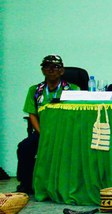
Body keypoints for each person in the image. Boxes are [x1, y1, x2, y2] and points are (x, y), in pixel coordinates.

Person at [16, 55, 80, 194]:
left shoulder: (73, 89)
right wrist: (42, 133)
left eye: (55, 67)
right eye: (47, 67)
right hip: (43, 132)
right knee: (24, 147)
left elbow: (78, 114)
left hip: (66, 134)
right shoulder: (35, 90)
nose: (51, 70)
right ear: (42, 70)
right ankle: (26, 184)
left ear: (62, 70)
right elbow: (32, 114)